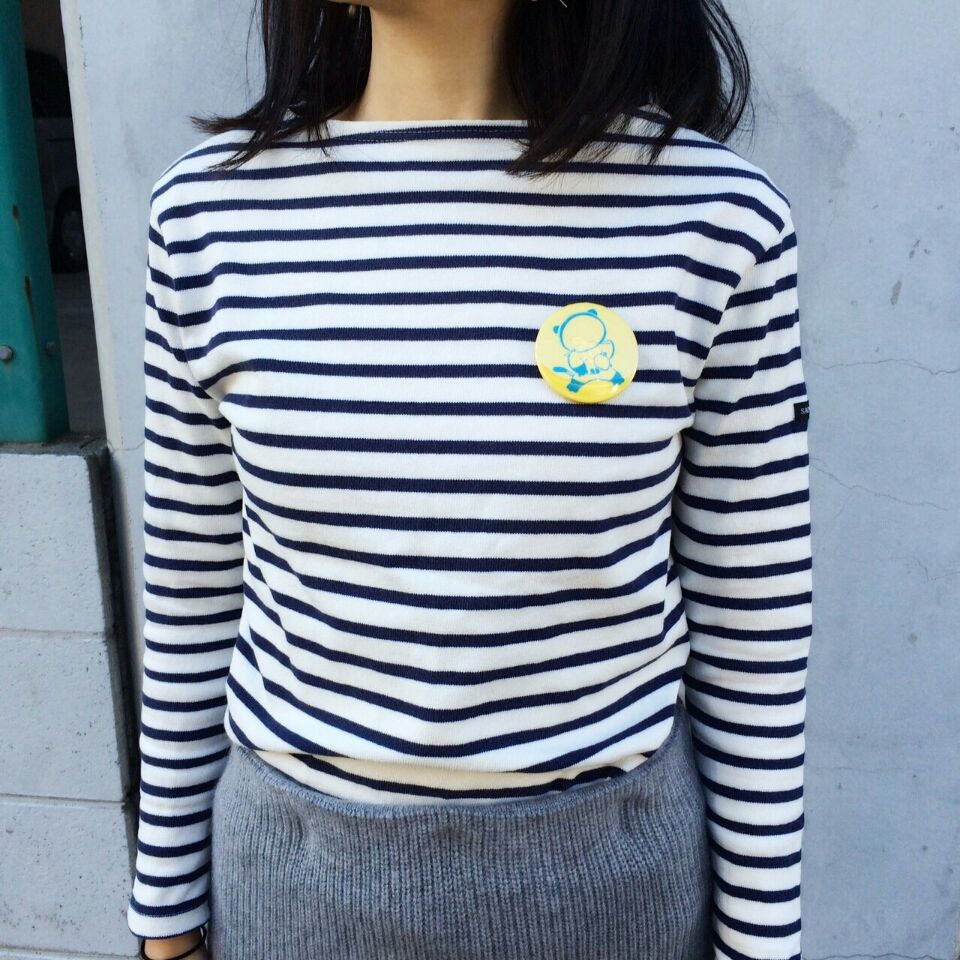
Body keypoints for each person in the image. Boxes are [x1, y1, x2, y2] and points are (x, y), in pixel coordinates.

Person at [126, 1, 813, 958]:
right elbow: (191, 587)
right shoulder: (207, 217)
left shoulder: (715, 220)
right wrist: (164, 916)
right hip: (293, 893)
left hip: (612, 899)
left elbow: (755, 614)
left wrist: (761, 938)